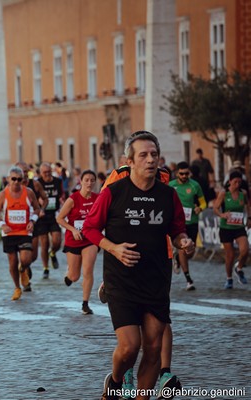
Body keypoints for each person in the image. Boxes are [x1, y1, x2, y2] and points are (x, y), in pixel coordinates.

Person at [82, 132, 194, 400]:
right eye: (143, 155)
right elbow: (90, 228)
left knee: (153, 347)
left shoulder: (168, 196)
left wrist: (184, 242)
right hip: (121, 279)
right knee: (130, 346)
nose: (150, 160)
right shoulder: (113, 192)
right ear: (129, 161)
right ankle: (116, 379)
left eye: (154, 154)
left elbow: (178, 231)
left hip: (156, 278)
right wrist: (114, 248)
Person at [55, 170, 99, 315]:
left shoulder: (98, 198)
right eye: (86, 180)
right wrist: (73, 229)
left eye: (92, 180)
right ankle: (69, 274)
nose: (89, 183)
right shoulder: (73, 199)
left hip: (90, 239)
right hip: (73, 239)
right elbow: (60, 218)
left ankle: (85, 303)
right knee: (75, 276)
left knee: (88, 270)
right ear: (81, 181)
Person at [0, 166, 40, 300]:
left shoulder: (29, 192)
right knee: (12, 262)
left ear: (23, 180)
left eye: (19, 179)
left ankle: (23, 270)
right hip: (9, 233)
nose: (16, 182)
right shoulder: (3, 194)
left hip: (24, 231)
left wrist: (32, 221)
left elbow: (37, 209)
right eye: (13, 179)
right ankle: (17, 287)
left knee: (26, 259)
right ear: (8, 180)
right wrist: (2, 225)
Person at [169, 162, 206, 291]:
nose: (184, 176)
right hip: (178, 223)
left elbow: (203, 202)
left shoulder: (195, 185)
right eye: (181, 174)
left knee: (190, 251)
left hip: (192, 221)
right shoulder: (171, 185)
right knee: (182, 247)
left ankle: (178, 258)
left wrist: (199, 208)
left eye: (186, 173)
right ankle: (188, 279)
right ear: (177, 173)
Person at [213, 171, 250, 289]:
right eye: (235, 182)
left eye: (239, 182)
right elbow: (215, 208)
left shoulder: (243, 193)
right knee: (230, 255)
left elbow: (248, 206)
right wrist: (222, 215)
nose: (237, 184)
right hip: (226, 228)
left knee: (245, 250)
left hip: (239, 227)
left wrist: (249, 218)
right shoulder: (224, 194)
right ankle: (229, 279)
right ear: (229, 182)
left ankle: (238, 268)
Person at [36, 162, 64, 277]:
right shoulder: (38, 183)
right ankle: (46, 268)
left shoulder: (58, 181)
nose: (47, 174)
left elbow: (62, 195)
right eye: (44, 172)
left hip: (54, 215)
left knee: (57, 241)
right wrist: (39, 202)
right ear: (41, 173)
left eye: (49, 172)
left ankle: (52, 253)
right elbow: (33, 197)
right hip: (42, 216)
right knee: (44, 243)